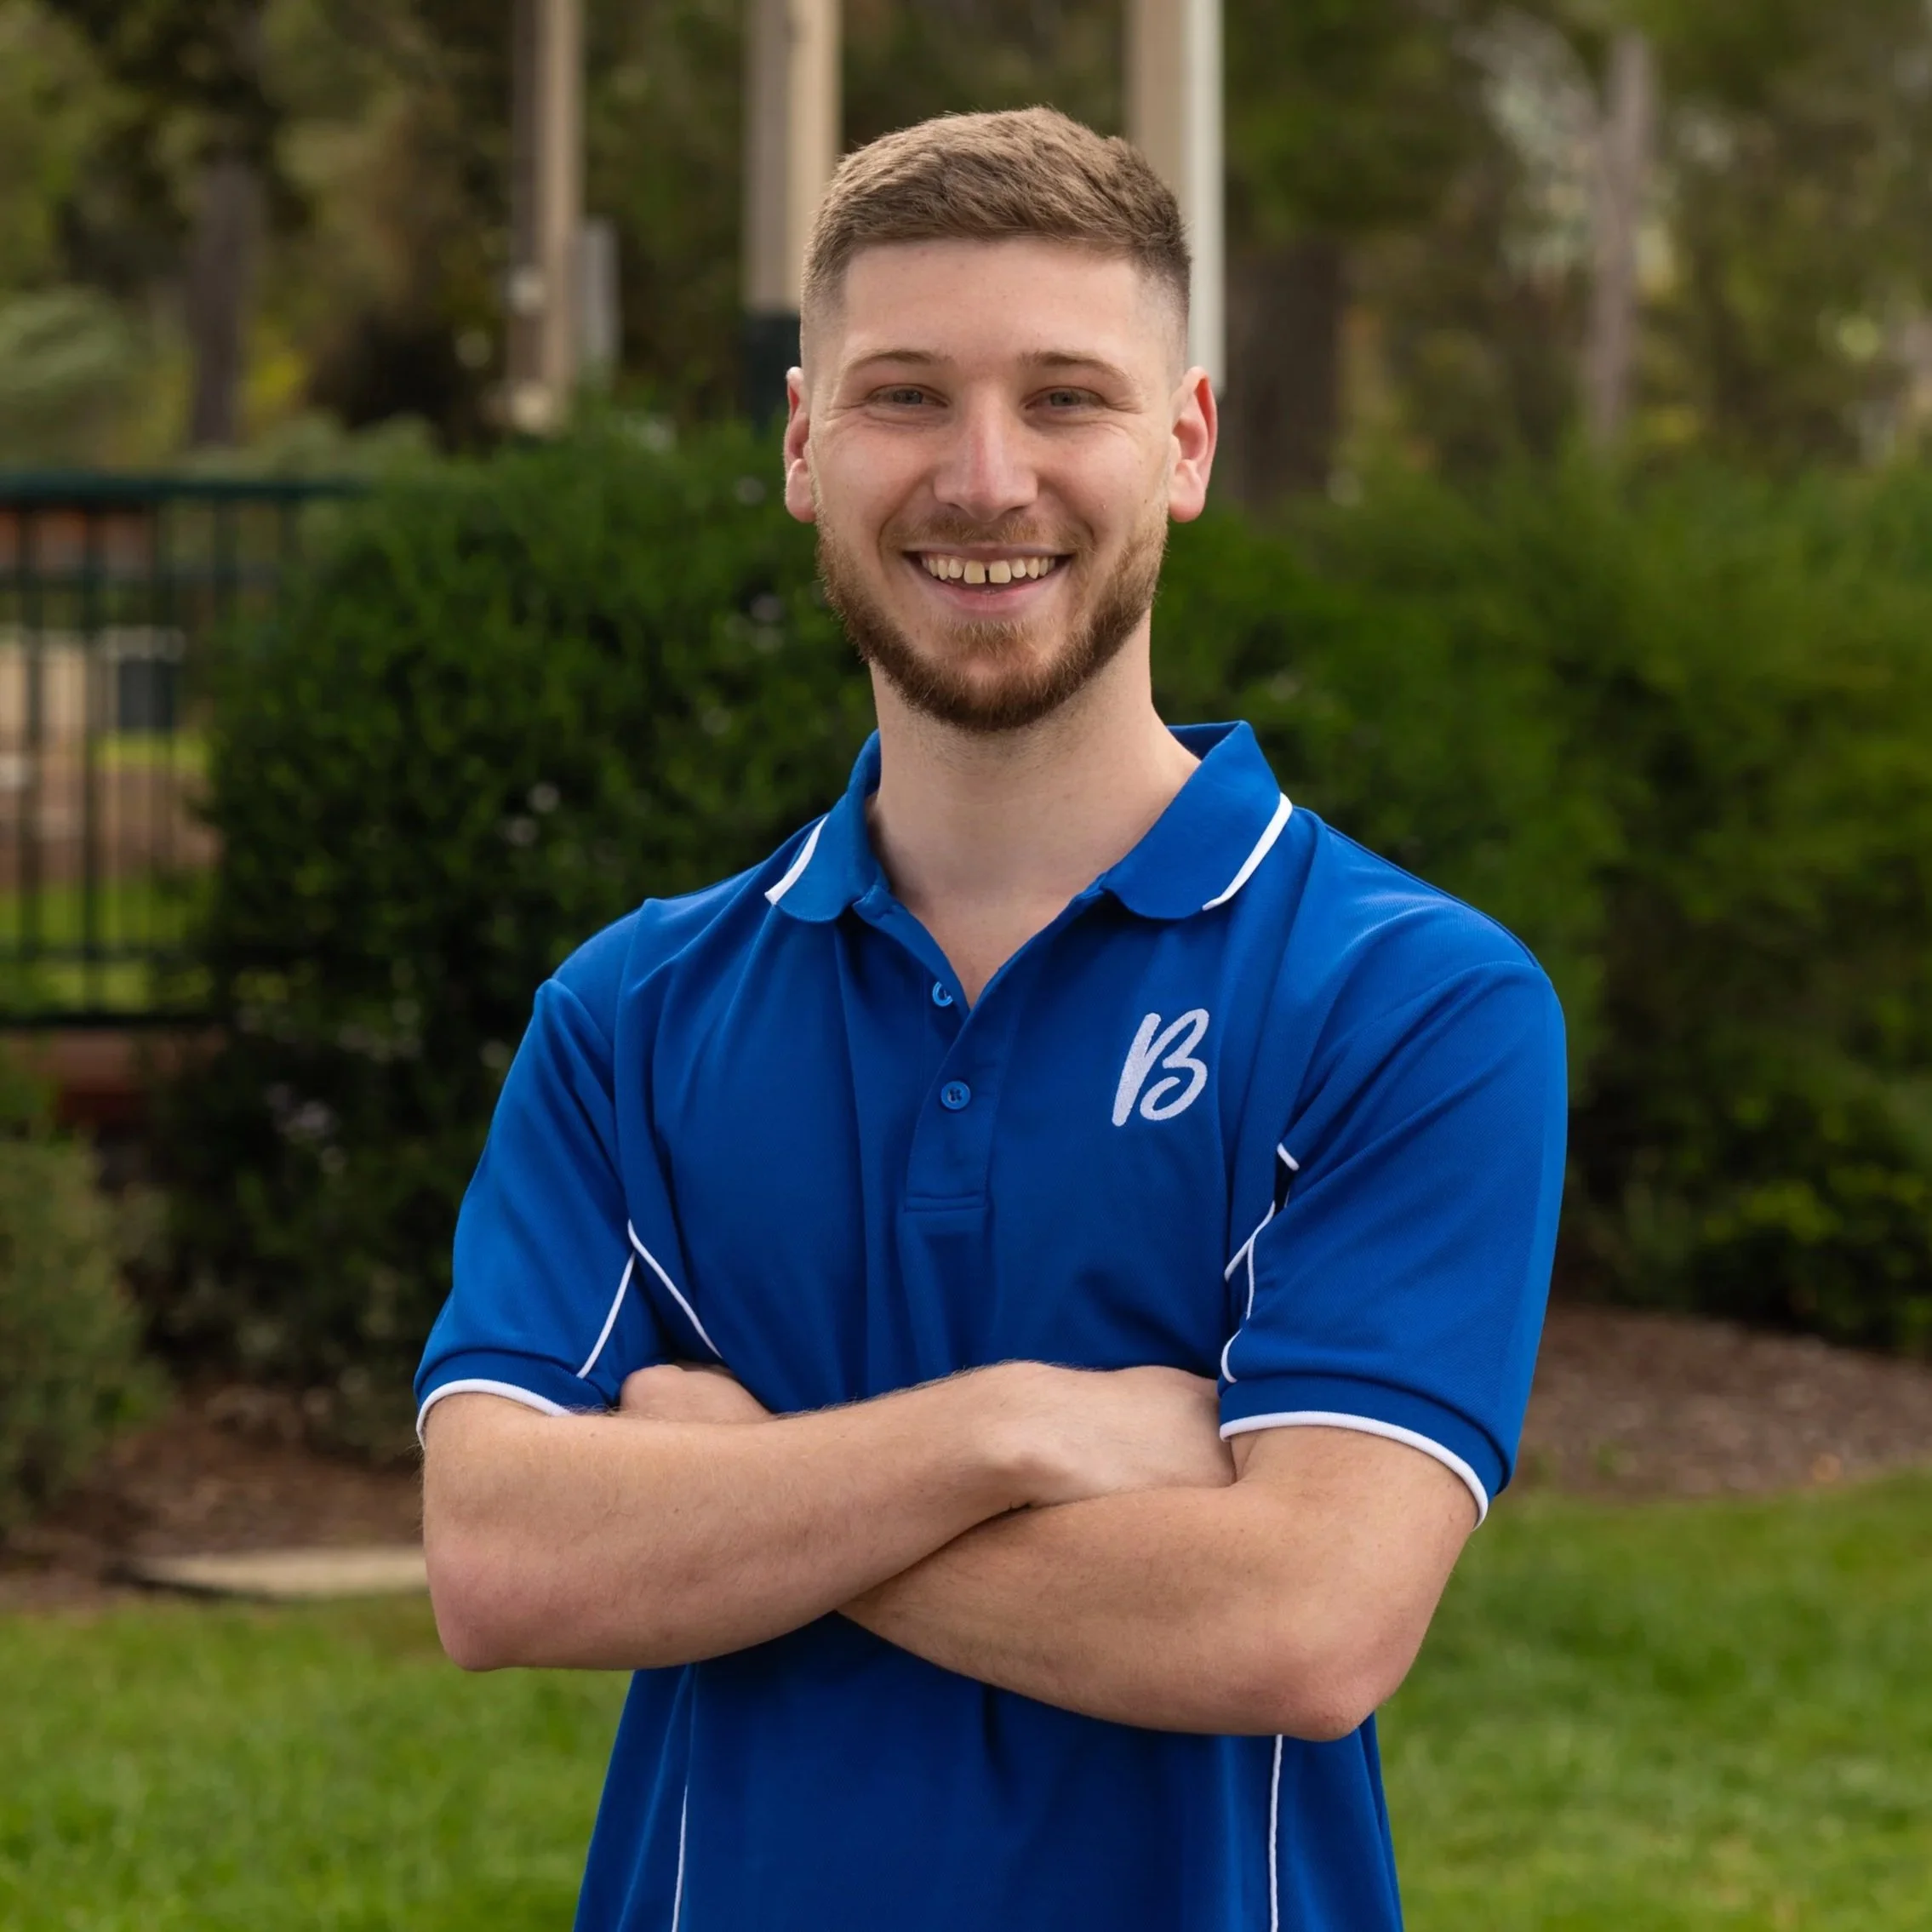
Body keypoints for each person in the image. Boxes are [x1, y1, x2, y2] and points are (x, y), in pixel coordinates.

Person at [417, 106, 1566, 1932]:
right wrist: (1010, 1430)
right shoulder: (629, 1013)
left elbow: (1302, 1620)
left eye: (1062, 397)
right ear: (802, 445)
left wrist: (735, 1497)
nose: (980, 476)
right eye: (899, 397)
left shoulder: (1407, 1000)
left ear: (1184, 442)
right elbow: (498, 1562)